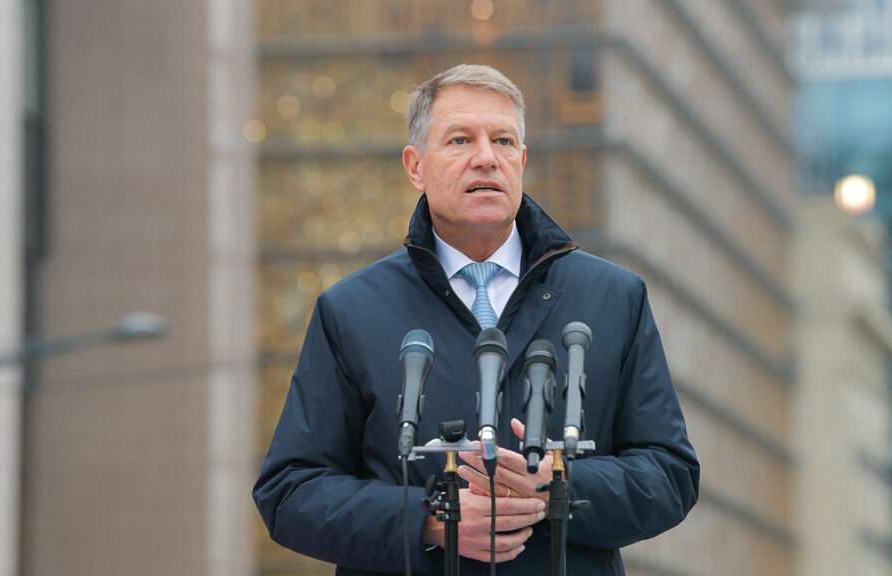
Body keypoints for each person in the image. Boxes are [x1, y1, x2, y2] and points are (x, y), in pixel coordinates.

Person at [253, 64, 700, 575]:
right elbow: (290, 492)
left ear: (522, 161)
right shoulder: (351, 310)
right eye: (461, 140)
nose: (486, 158)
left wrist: (556, 488)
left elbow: (671, 474)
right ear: (415, 166)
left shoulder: (614, 298)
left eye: (503, 141)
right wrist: (431, 518)